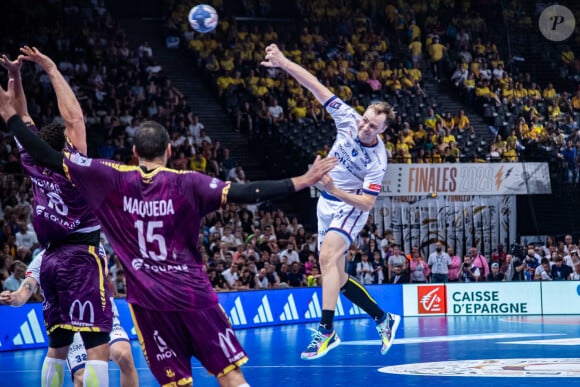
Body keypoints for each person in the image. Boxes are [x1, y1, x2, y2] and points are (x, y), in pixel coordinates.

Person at [0, 73, 336, 385]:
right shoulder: (188, 183)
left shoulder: (113, 179)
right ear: (170, 150)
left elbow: (42, 151)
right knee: (230, 378)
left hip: (145, 301)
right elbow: (248, 193)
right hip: (190, 293)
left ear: (134, 152)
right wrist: (303, 180)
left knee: (65, 348)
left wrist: (12, 114)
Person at [261, 43, 400, 361]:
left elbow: (367, 204)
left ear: (383, 131)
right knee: (335, 276)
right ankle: (383, 318)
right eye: (365, 120)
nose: (365, 127)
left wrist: (336, 190)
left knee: (325, 259)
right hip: (326, 203)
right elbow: (314, 84)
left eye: (373, 126)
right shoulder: (348, 119)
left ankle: (327, 331)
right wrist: (283, 61)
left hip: (350, 206)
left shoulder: (378, 160)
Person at [1, 47, 112, 386]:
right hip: (81, 258)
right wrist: (48, 67)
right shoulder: (73, 165)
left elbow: (20, 117)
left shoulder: (32, 161)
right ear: (65, 144)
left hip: (49, 261)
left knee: (57, 347)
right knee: (96, 345)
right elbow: (75, 117)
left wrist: (15, 75)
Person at [0, 250, 139, 387]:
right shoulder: (41, 260)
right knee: (81, 378)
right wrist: (13, 298)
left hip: (101, 315)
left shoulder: (92, 242)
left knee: (124, 355)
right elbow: (24, 292)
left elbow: (104, 272)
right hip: (70, 324)